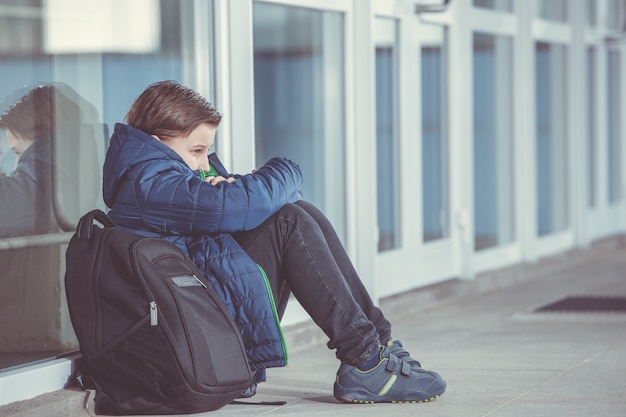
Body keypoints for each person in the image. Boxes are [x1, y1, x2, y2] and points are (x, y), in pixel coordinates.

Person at [102, 80, 446, 404]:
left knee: (297, 210)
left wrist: (257, 190)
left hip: (203, 314)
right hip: (195, 337)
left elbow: (261, 199)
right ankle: (367, 360)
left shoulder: (164, 174)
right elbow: (250, 201)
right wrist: (281, 172)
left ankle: (377, 346)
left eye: (208, 151)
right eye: (196, 150)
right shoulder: (152, 182)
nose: (204, 163)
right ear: (159, 142)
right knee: (288, 221)